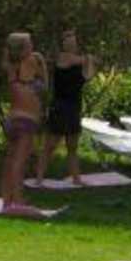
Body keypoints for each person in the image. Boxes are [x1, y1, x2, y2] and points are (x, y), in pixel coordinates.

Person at [33, 27, 94, 186]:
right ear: (63, 44)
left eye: (73, 41)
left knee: (72, 147)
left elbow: (88, 76)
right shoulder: (63, 58)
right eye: (68, 41)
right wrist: (87, 58)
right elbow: (73, 61)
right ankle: (39, 179)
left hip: (74, 107)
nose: (71, 44)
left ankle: (76, 179)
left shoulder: (80, 61)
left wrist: (89, 61)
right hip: (60, 107)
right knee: (50, 146)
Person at [0, 30, 46, 216]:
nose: (33, 45)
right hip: (26, 120)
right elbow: (45, 84)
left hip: (13, 119)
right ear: (24, 48)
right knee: (19, 162)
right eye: (30, 43)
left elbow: (6, 54)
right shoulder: (31, 62)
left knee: (9, 161)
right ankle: (17, 201)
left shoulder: (11, 67)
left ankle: (7, 200)